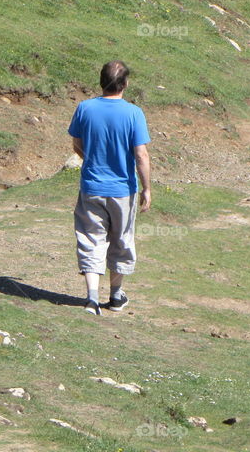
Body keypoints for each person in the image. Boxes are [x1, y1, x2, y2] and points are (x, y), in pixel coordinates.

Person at [67, 61, 151, 315]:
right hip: (123, 189)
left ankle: (92, 299)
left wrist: (93, 160)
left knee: (91, 238)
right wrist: (146, 188)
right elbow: (141, 155)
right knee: (121, 239)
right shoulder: (134, 113)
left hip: (92, 186)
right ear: (125, 84)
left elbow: (77, 144)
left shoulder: (85, 108)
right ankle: (115, 296)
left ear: (101, 81)